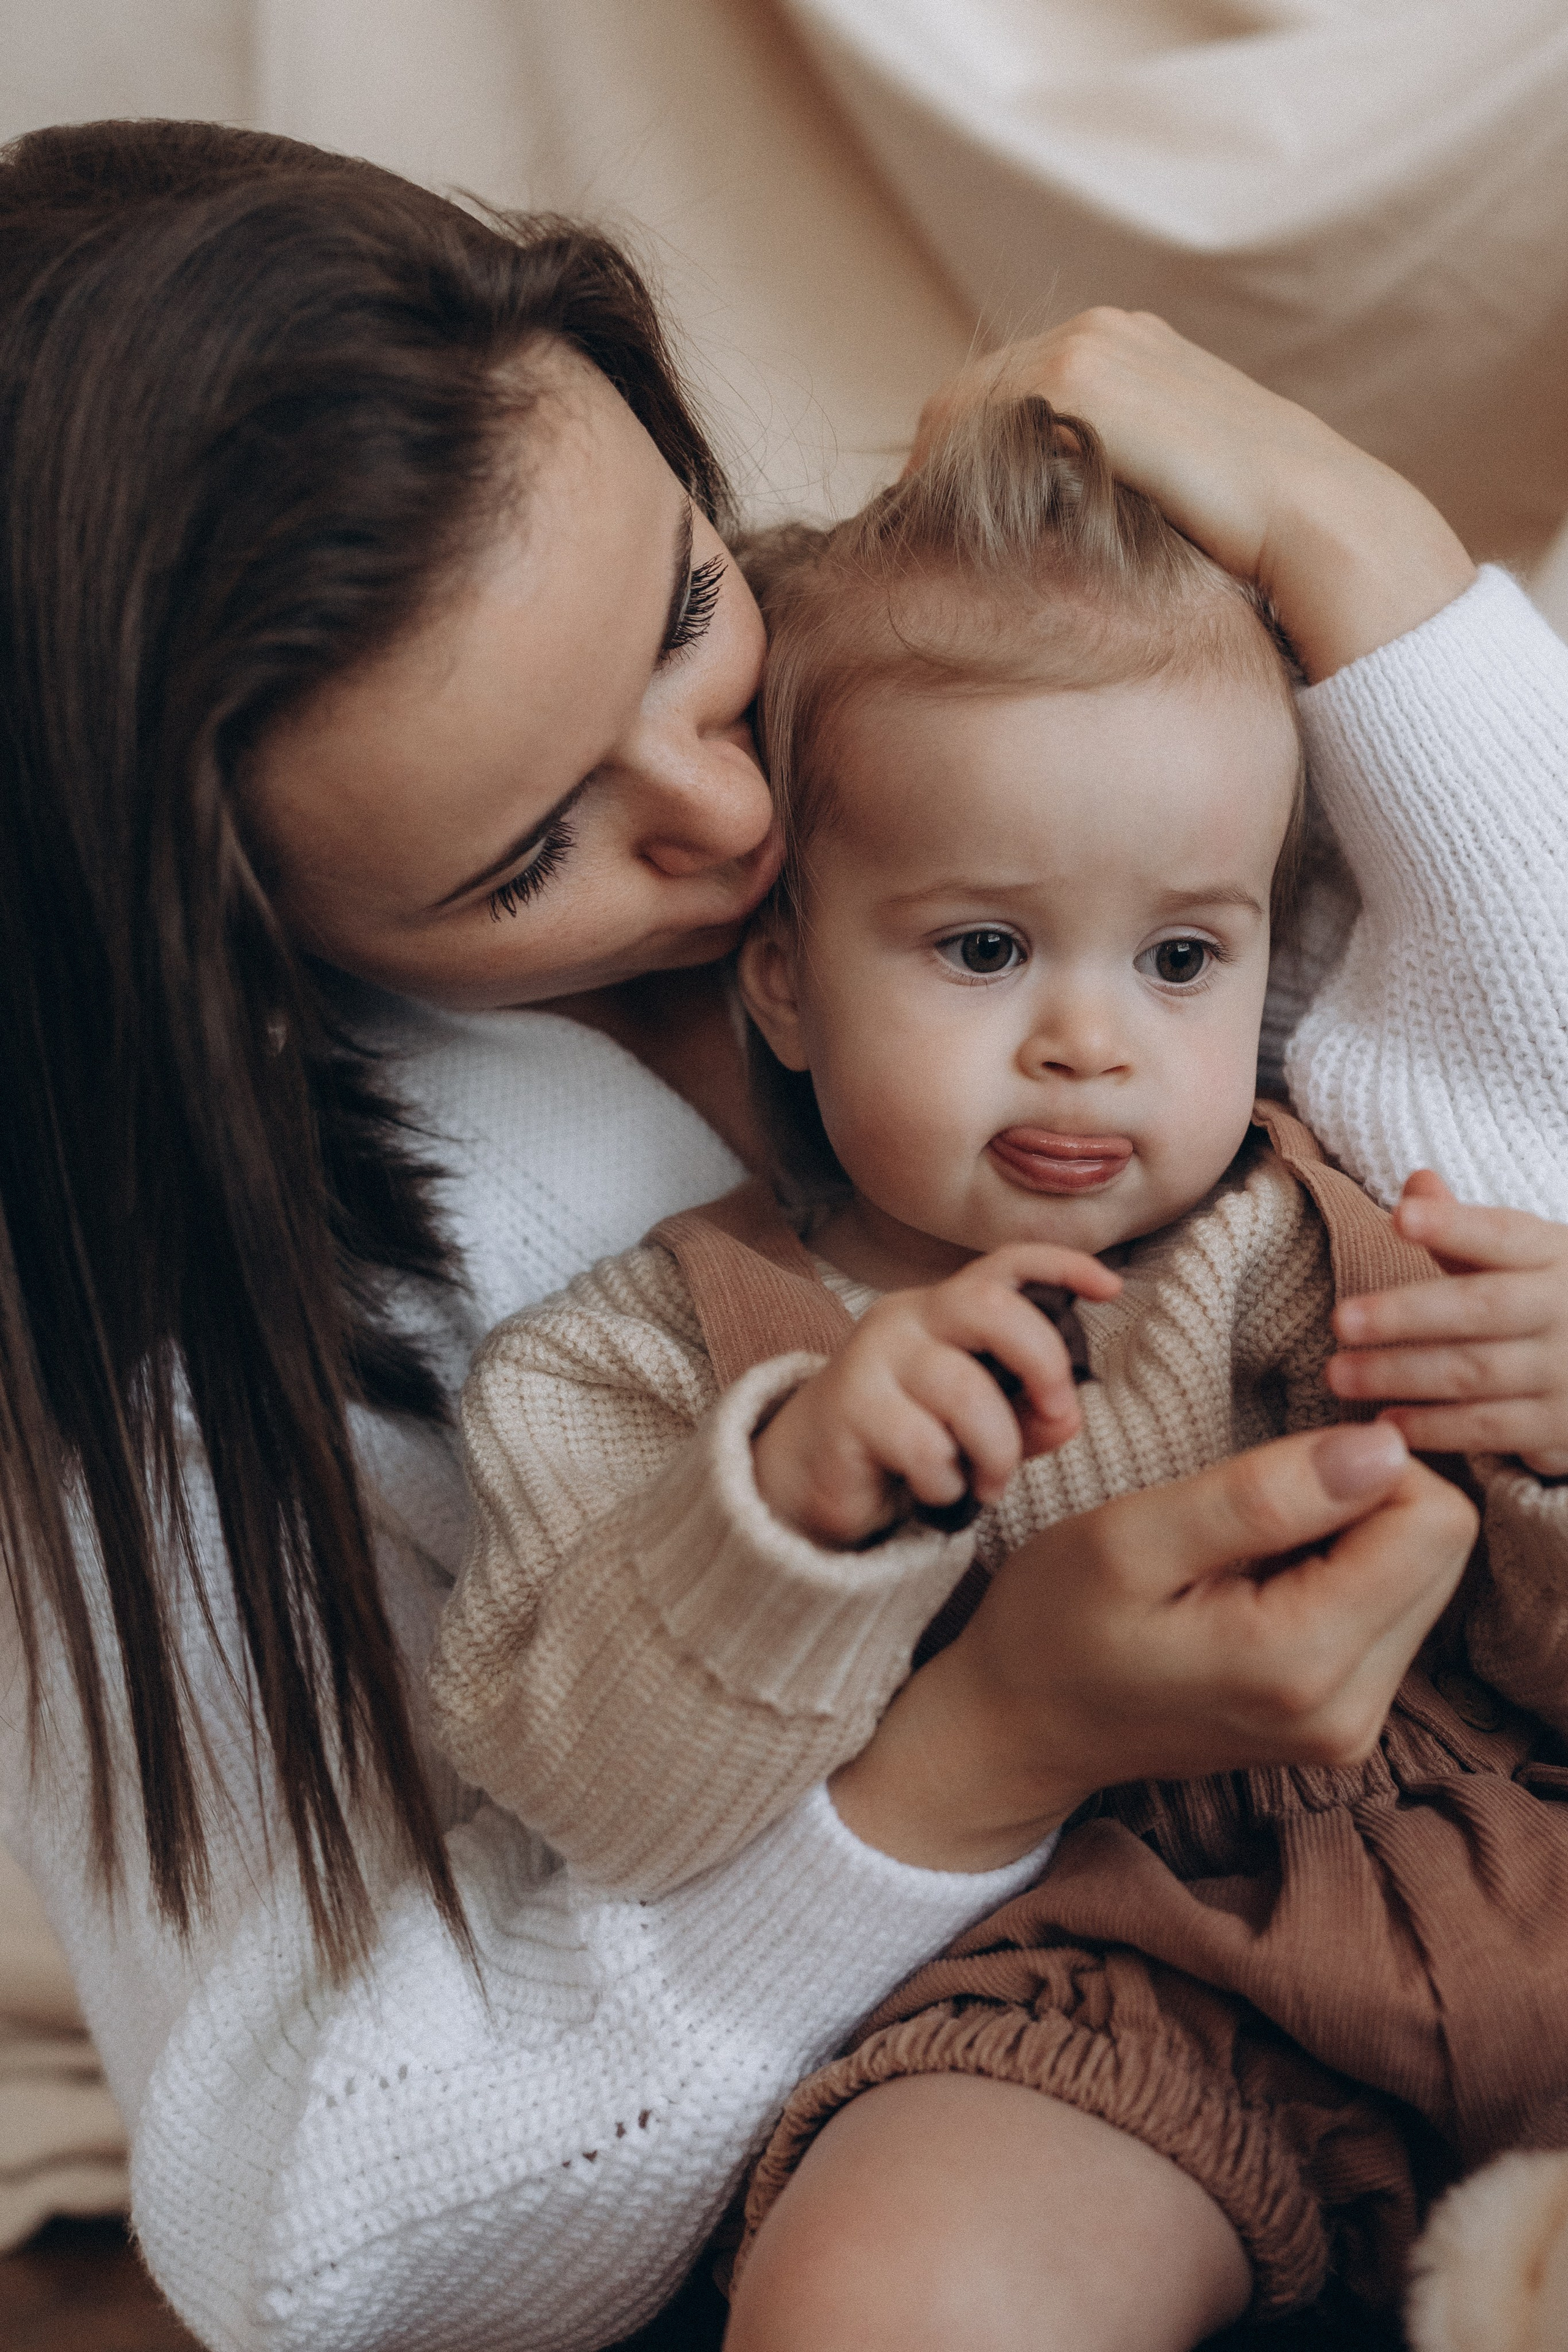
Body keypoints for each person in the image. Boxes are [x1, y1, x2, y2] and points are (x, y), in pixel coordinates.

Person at [0, 112, 1551, 2352]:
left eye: (684, 616)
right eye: (532, 852)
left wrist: (1363, 550)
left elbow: (1502, 1163)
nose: (737, 811)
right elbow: (323, 2237)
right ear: (230, 947)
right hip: (1050, 2053)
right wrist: (982, 1745)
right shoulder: (263, 1372)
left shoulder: (974, 691)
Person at [428, 396, 1568, 2346]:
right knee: (881, 2289)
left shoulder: (1317, 1231)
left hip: (1512, 1853)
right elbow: (593, 1797)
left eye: (1181, 961)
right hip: (1083, 1977)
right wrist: (791, 1513)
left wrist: (1551, 1451)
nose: (1088, 1045)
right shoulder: (643, 1365)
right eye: (980, 949)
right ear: (786, 980)